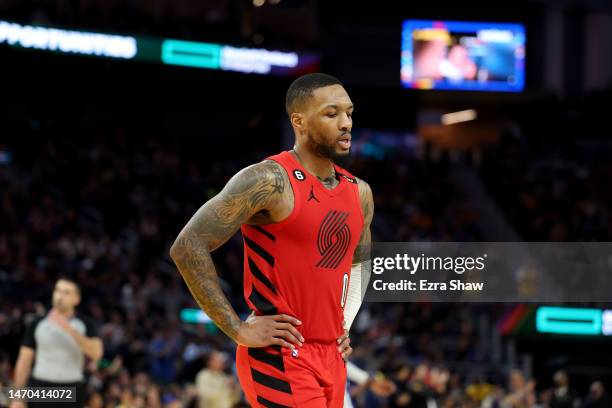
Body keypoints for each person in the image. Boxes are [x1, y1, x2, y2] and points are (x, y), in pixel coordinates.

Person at [170, 72, 374, 408]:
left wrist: (344, 326)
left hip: (331, 356)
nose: (346, 123)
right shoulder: (267, 180)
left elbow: (360, 261)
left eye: (349, 113)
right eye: (331, 113)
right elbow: (187, 245)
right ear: (299, 121)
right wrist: (237, 329)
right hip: (279, 354)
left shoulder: (360, 192)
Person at [10, 277, 103, 408]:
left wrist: (69, 329)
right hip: (40, 386)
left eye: (66, 292)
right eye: (57, 290)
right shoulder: (37, 323)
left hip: (72, 388)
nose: (60, 295)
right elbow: (24, 361)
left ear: (77, 299)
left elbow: (97, 353)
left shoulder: (85, 324)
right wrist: (17, 397)